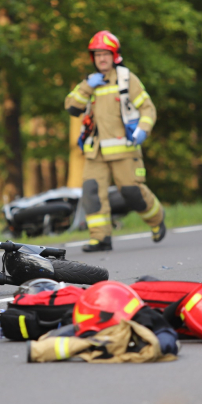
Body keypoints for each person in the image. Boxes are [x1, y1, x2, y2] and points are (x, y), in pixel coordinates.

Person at [65, 31, 166, 252]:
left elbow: (148, 108)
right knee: (91, 192)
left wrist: (143, 130)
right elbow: (72, 107)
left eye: (106, 54)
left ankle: (157, 218)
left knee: (132, 193)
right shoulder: (88, 83)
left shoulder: (127, 79)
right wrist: (87, 86)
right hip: (96, 152)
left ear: (114, 56)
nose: (101, 58)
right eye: (97, 54)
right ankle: (101, 238)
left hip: (124, 150)